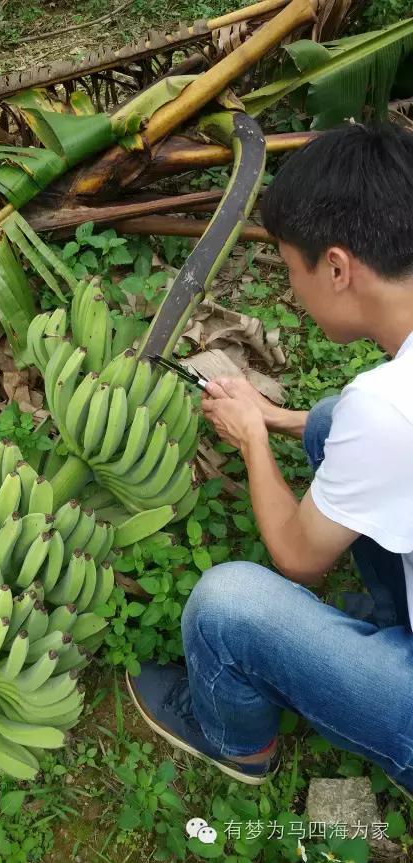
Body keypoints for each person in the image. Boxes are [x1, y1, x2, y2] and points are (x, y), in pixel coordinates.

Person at [126, 123, 413, 796]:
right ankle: (384, 619)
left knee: (227, 605)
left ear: (338, 267)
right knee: (330, 420)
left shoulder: (388, 408)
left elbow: (296, 557)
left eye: (291, 269)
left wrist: (254, 438)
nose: (290, 289)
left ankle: (238, 743)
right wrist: (284, 418)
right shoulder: (387, 402)